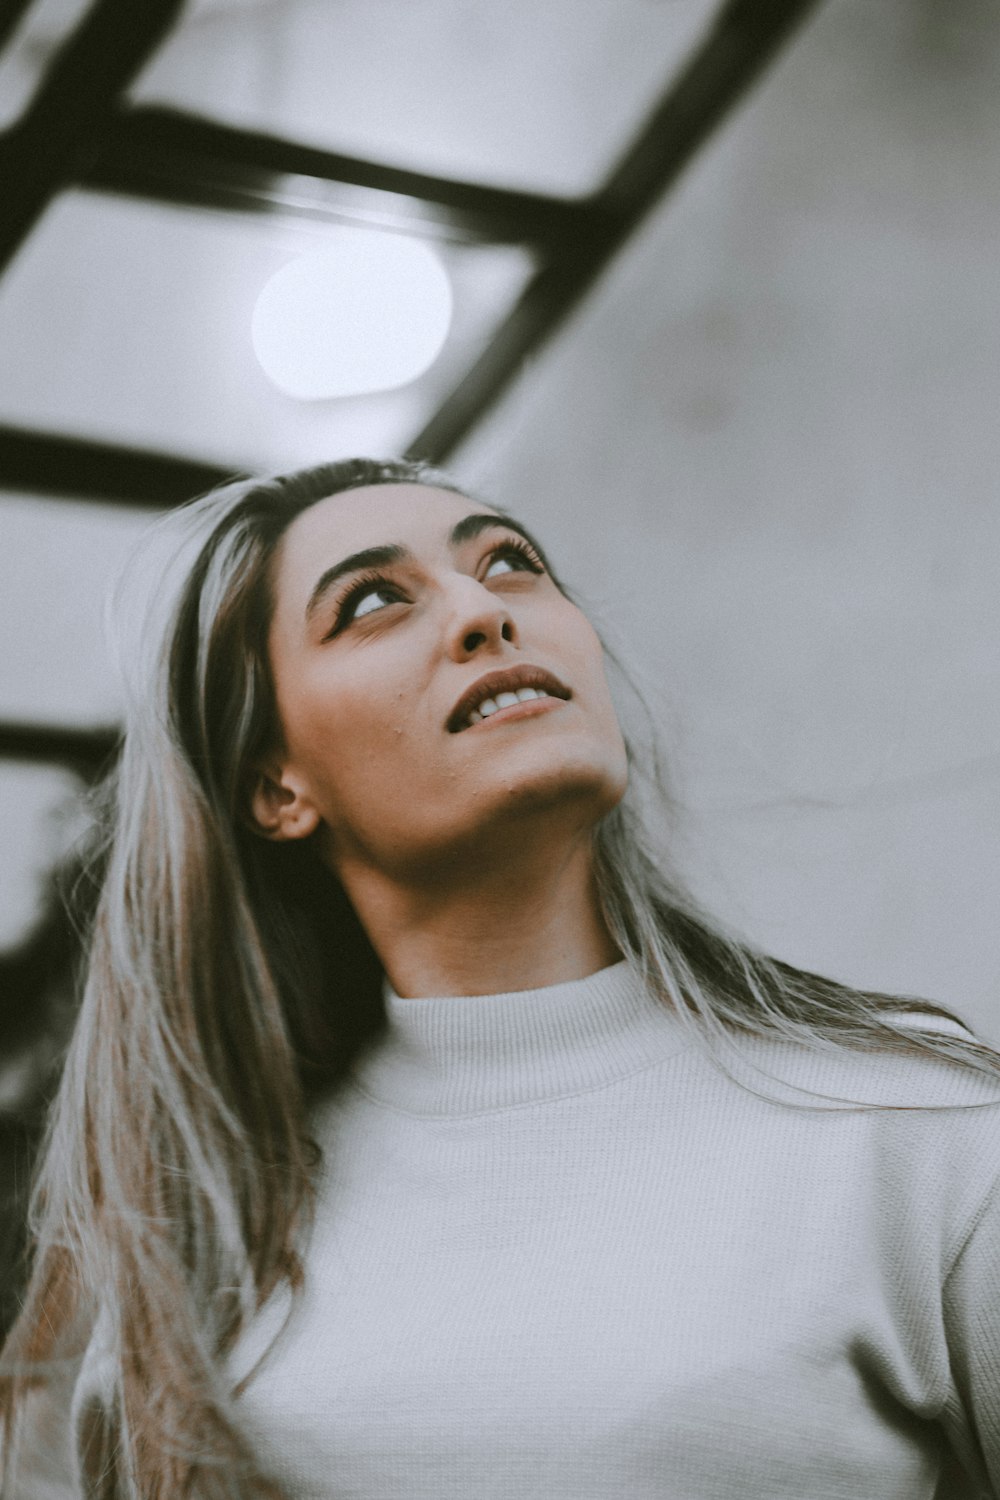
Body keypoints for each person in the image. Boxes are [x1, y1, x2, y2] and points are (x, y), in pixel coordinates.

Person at [1, 456, 998, 1500]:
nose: (483, 611)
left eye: (512, 564)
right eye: (373, 600)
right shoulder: (193, 1253)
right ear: (276, 784)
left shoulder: (922, 1139)